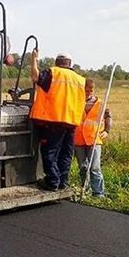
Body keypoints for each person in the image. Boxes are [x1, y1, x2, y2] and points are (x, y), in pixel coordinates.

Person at [30, 50, 86, 191]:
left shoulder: (53, 73)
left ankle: (52, 181)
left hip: (55, 121)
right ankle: (63, 182)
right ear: (70, 64)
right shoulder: (80, 79)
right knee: (66, 154)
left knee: (50, 151)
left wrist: (34, 59)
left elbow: (35, 77)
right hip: (72, 122)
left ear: (56, 62)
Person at [74, 79, 112, 197]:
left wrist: (106, 130)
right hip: (78, 139)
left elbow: (108, 117)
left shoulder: (100, 103)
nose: (89, 92)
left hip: (94, 139)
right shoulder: (75, 102)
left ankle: (98, 193)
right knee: (83, 167)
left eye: (91, 90)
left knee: (95, 168)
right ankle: (85, 189)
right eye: (86, 90)